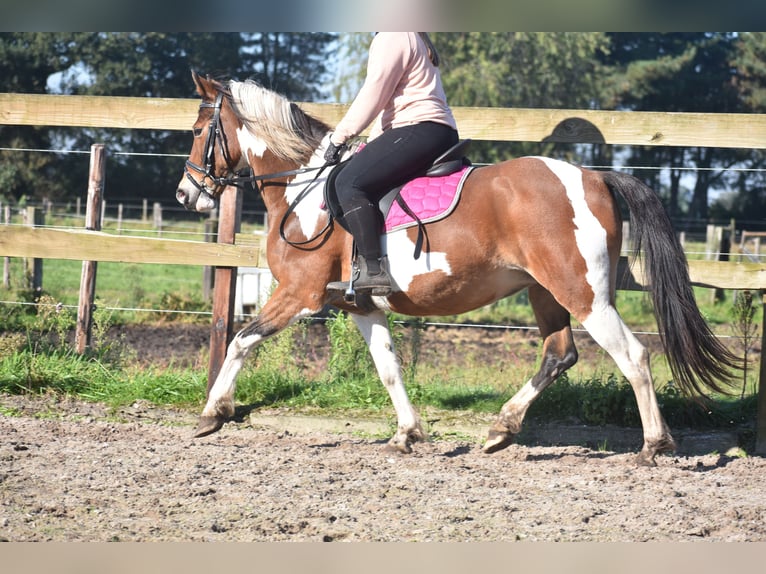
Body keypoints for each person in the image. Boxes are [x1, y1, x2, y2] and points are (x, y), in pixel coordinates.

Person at [324, 32, 459, 297]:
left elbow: (373, 95)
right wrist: (368, 146)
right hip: (430, 129)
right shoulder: (411, 33)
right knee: (358, 173)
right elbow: (388, 104)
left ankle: (373, 271)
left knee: (347, 183)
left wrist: (339, 137)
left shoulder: (393, 35)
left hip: (418, 127)